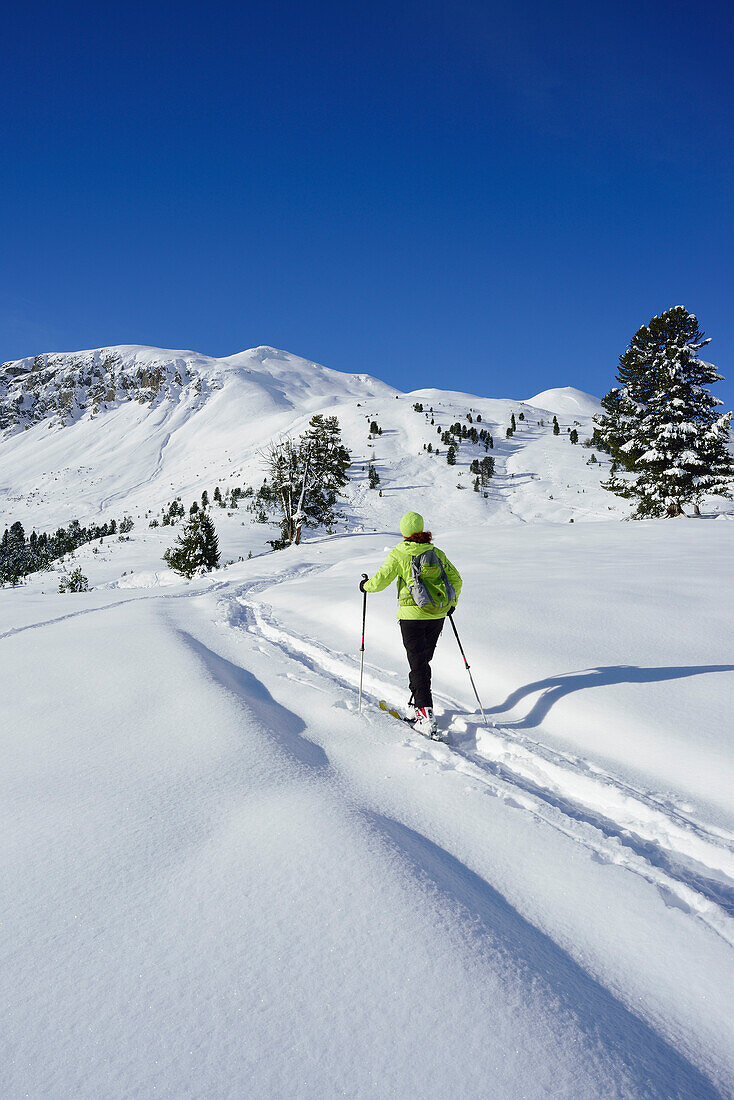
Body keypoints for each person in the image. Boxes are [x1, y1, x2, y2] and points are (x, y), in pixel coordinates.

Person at [360, 511, 462, 738]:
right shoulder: (435, 552)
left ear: (404, 532)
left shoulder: (399, 553)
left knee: (418, 665)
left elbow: (380, 582)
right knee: (422, 663)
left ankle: (425, 715)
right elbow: (456, 579)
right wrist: (451, 603)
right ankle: (415, 705)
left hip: (412, 617)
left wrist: (365, 586)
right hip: (437, 614)